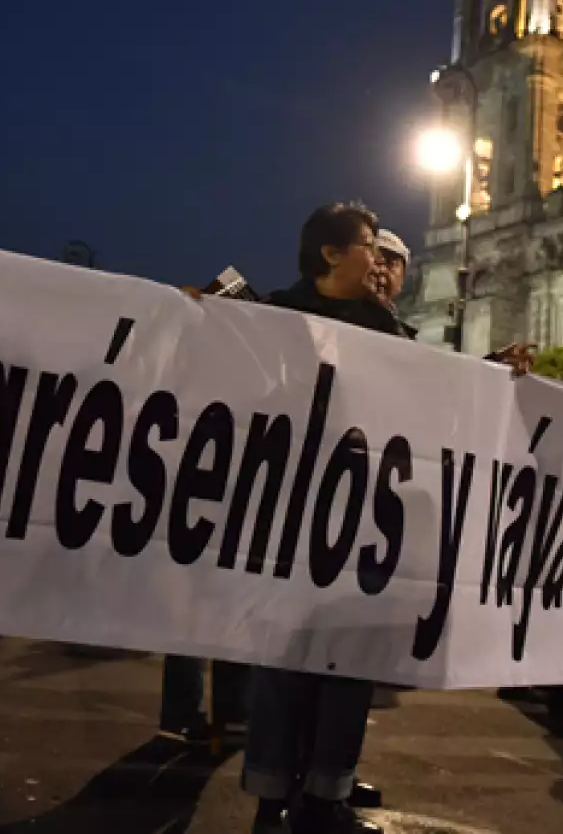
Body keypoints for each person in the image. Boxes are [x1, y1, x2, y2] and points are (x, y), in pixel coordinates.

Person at [235, 202, 401, 834]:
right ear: (331, 254)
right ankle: (271, 792)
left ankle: (327, 792)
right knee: (282, 660)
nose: (380, 260)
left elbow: (422, 393)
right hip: (286, 511)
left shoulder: (382, 325)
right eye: (369, 246)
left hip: (359, 514)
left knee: (348, 659)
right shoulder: (274, 315)